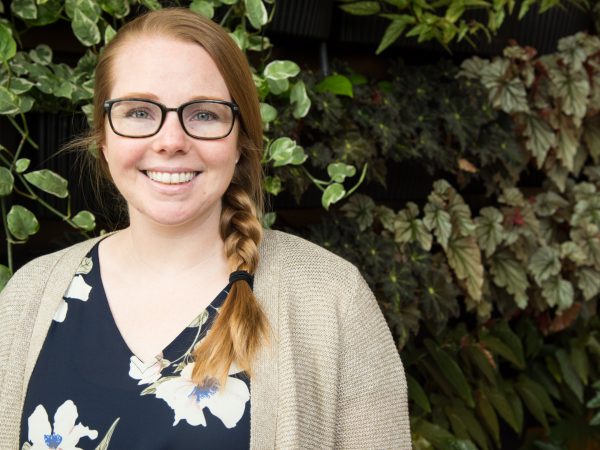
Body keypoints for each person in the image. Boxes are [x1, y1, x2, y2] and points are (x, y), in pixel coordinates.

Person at [0, 7, 410, 449]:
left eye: (203, 114)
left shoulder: (331, 300)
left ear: (242, 140)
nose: (171, 140)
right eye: (139, 112)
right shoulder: (28, 296)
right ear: (104, 136)